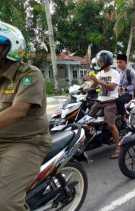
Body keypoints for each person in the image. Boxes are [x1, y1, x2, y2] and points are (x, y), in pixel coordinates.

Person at [0, 21, 51, 211]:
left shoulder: (30, 74)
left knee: (5, 203)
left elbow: (18, 111)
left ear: (9, 48)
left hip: (26, 142)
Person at [87, 50, 121, 159]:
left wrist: (97, 80)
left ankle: (118, 148)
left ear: (107, 61)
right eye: (99, 61)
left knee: (111, 125)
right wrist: (87, 85)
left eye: (101, 61)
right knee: (86, 119)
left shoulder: (115, 73)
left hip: (110, 102)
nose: (100, 63)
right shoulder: (100, 73)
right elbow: (93, 85)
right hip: (99, 101)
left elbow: (111, 87)